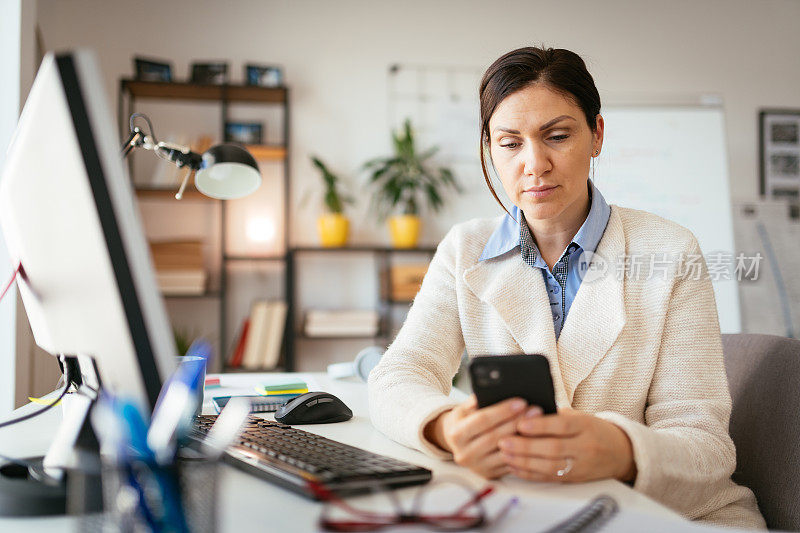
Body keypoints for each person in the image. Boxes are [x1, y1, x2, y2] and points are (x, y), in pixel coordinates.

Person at [367, 46, 766, 529]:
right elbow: (398, 375)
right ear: (489, 149)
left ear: (596, 135)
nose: (535, 163)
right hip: (532, 512)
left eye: (557, 136)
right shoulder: (464, 248)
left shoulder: (671, 251)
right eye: (510, 143)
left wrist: (620, 451)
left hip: (674, 516)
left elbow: (705, 447)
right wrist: (445, 426)